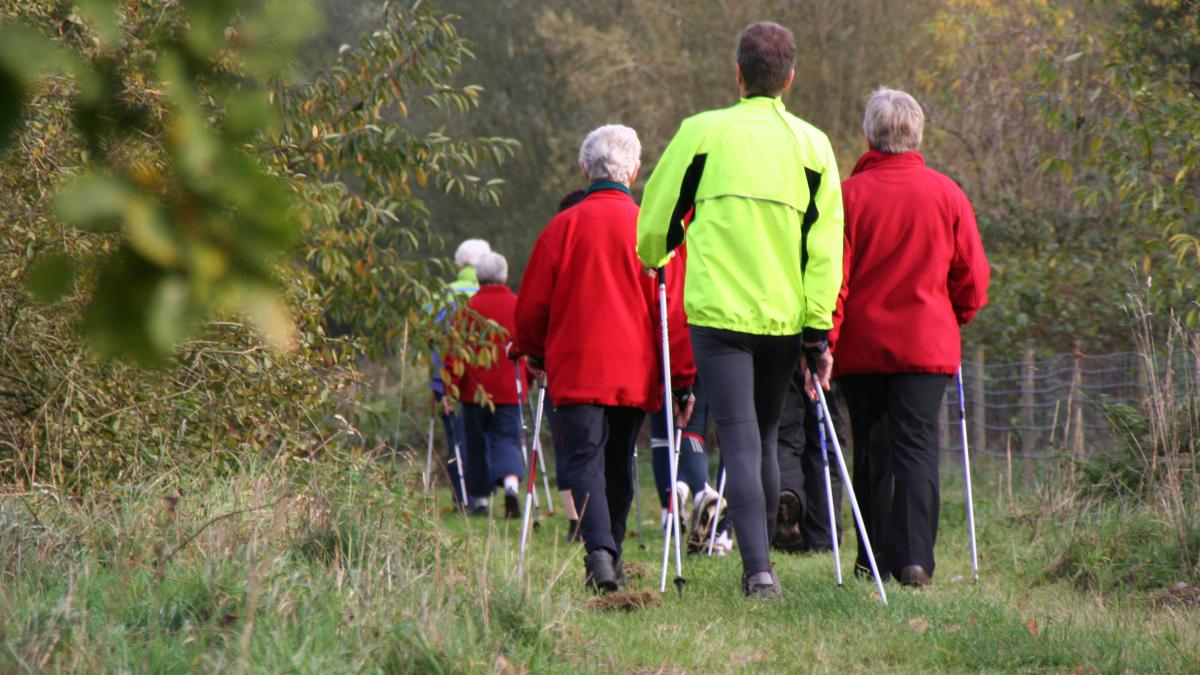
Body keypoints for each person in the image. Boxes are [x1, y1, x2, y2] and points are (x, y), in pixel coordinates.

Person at [638, 21, 844, 598]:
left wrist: (655, 253)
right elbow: (823, 252)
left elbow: (656, 217)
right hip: (783, 317)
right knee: (766, 430)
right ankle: (762, 566)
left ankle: (758, 571)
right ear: (790, 80)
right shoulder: (814, 146)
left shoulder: (701, 134)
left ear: (737, 72)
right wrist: (817, 336)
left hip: (719, 317)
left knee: (739, 436)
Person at [516, 124, 695, 593]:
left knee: (583, 459)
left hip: (575, 367)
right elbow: (673, 313)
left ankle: (600, 554)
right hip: (634, 368)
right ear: (635, 172)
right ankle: (607, 550)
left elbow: (534, 303)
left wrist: (531, 350)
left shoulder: (561, 228)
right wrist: (683, 379)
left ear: (583, 169)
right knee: (619, 462)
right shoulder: (654, 233)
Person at [832, 88, 989, 587]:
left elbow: (831, 276)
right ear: (918, 134)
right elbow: (973, 277)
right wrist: (955, 316)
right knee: (918, 448)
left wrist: (825, 341)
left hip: (861, 347)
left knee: (871, 448)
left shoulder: (847, 196)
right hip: (927, 344)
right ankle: (915, 559)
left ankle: (871, 558)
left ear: (868, 136)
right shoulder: (947, 194)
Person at [446, 252, 526, 519]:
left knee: (476, 443)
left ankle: (480, 500)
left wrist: (450, 387)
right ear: (505, 275)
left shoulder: (467, 308)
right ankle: (512, 484)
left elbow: (455, 352)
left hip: (474, 390)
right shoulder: (518, 305)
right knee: (508, 439)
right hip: (510, 387)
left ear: (478, 277)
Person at [430, 238, 491, 510]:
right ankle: (482, 497)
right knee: (485, 438)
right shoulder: (488, 291)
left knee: (456, 438)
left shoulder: (445, 294)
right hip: (486, 379)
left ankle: (461, 497)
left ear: (459, 262)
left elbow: (431, 336)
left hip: (448, 377)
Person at [774, 372, 846, 553]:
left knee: (784, 436)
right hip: (822, 356)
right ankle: (823, 534)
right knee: (824, 441)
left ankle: (786, 491)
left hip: (782, 350)